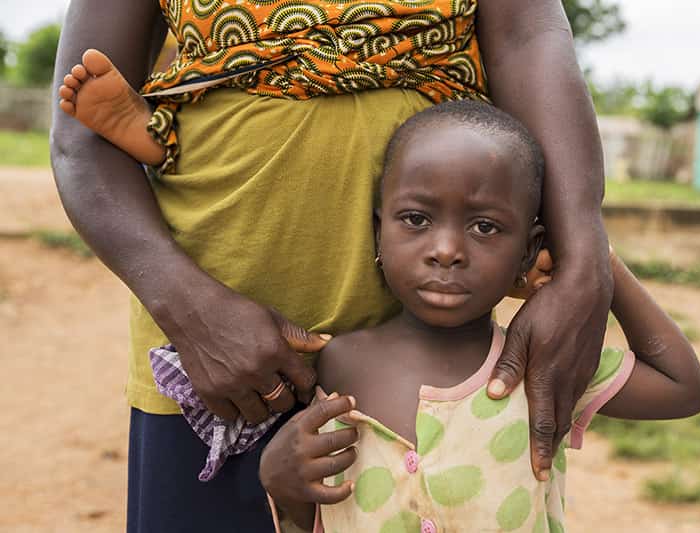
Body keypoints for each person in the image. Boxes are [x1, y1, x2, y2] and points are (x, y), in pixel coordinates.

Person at [51, 1, 615, 531]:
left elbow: (528, 36)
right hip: (211, 363)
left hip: (431, 361)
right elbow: (80, 138)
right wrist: (187, 307)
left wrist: (587, 267)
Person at [259, 101, 700, 532]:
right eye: (416, 219)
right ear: (380, 232)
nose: (447, 251)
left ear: (529, 251)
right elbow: (321, 513)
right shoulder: (336, 362)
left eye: (485, 227)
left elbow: (683, 388)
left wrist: (595, 262)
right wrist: (278, 478)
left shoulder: (542, 367)